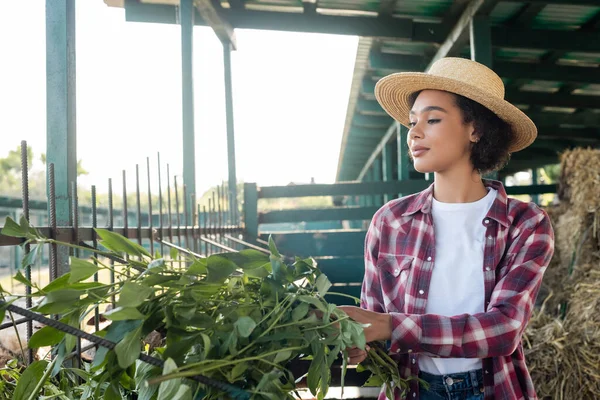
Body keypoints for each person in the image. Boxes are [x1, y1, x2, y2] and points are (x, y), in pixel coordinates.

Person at [338, 57, 555, 400]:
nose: (414, 133)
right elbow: (374, 324)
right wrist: (357, 342)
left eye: (433, 119)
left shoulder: (525, 224)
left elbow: (504, 330)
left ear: (476, 129)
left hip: (491, 389)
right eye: (412, 123)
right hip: (410, 389)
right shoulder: (390, 220)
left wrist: (390, 327)